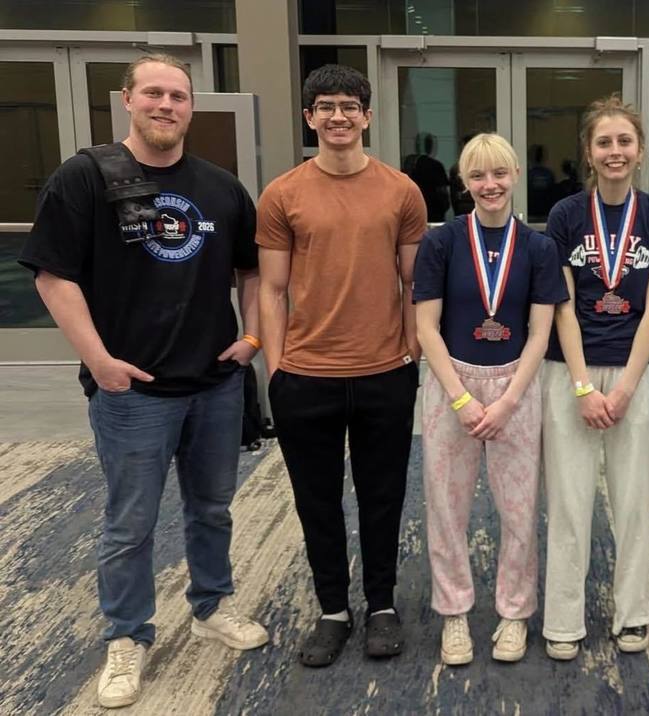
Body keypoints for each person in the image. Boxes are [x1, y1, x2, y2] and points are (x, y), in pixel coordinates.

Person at [19, 53, 268, 709]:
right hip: (131, 392)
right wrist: (99, 360)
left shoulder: (219, 187)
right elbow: (52, 275)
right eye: (153, 92)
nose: (166, 105)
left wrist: (253, 338)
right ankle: (127, 636)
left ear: (192, 107)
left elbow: (252, 271)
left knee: (211, 509)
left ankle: (212, 605)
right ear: (126, 100)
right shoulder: (85, 178)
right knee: (129, 525)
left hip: (214, 384)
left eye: (179, 96)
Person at [257, 64, 426, 665]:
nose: (337, 116)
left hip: (385, 373)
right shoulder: (282, 194)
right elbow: (270, 292)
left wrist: (411, 357)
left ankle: (381, 604)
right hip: (306, 377)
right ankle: (333, 609)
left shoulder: (402, 191)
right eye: (325, 106)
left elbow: (415, 286)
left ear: (367, 116)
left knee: (384, 497)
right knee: (317, 500)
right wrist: (277, 370)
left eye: (349, 106)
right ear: (309, 118)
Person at [414, 133, 567, 666]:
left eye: (498, 173)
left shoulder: (540, 247)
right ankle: (454, 613)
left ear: (516, 175)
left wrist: (507, 402)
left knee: (519, 510)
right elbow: (426, 329)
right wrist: (460, 400)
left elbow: (541, 334)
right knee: (446, 507)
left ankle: (514, 614)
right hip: (451, 384)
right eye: (477, 175)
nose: (490, 185)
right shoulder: (442, 243)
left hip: (516, 386)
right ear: (464, 182)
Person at [542, 96, 649, 660]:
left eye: (625, 141)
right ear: (589, 153)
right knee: (569, 502)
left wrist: (622, 388)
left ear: (640, 152)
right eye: (605, 142)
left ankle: (632, 615)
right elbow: (562, 306)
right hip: (568, 370)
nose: (615, 151)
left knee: (632, 500)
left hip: (636, 374)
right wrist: (581, 386)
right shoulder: (566, 215)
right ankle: (564, 620)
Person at [403, 132, 451, 222]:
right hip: (434, 213)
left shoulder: (408, 164)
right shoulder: (435, 165)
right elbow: (442, 192)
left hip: (412, 212)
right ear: (430, 147)